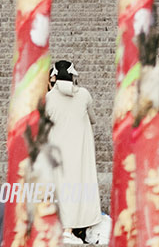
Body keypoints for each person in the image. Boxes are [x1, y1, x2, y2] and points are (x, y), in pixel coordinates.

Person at [45, 61, 100, 239]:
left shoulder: (49, 98)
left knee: (59, 186)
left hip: (57, 150)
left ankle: (61, 226)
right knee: (79, 184)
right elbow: (92, 118)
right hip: (79, 149)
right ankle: (72, 228)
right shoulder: (83, 94)